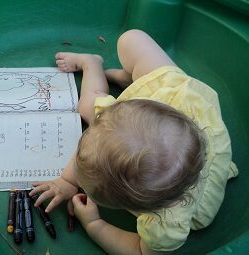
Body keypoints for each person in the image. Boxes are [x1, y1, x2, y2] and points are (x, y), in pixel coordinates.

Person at [29, 29, 238, 254]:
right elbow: (91, 152)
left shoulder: (167, 225)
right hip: (178, 101)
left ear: (133, 206)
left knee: (88, 105)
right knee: (131, 38)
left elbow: (140, 251)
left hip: (165, 121)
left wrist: (94, 225)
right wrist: (67, 181)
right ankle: (121, 75)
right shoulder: (133, 124)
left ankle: (92, 64)